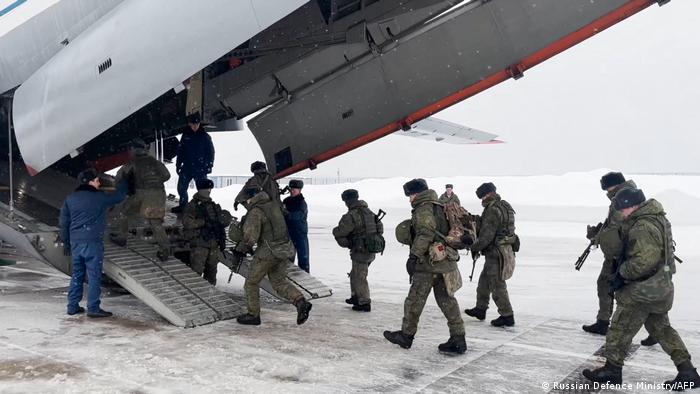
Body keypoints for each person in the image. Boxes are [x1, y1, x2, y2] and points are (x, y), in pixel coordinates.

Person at [583, 189, 700, 389]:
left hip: (642, 291)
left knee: (619, 329)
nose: (621, 214)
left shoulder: (642, 227)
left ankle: (612, 371)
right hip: (659, 287)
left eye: (622, 210)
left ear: (631, 206)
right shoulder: (657, 219)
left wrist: (622, 271)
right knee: (661, 328)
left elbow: (643, 262)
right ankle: (687, 371)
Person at [383, 179, 466, 354]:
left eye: (410, 195)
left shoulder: (424, 208)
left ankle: (406, 336)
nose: (409, 199)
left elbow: (425, 233)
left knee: (414, 300)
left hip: (429, 264)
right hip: (445, 262)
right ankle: (458, 339)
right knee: (448, 301)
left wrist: (413, 256)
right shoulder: (441, 205)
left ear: (416, 194)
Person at [582, 172, 656, 346]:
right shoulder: (624, 196)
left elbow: (619, 228)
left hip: (624, 255)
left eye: (607, 187)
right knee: (606, 285)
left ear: (614, 185)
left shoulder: (624, 199)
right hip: (618, 254)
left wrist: (599, 237)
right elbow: (613, 226)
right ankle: (602, 322)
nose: (606, 191)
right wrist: (599, 233)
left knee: (635, 294)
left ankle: (655, 330)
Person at [231, 186, 312, 326]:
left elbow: (250, 237)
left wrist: (240, 250)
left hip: (268, 251)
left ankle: (253, 315)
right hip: (284, 249)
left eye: (247, 200)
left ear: (251, 198)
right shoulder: (274, 205)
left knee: (251, 282)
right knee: (279, 282)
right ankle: (300, 301)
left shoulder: (256, 211)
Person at [59, 168, 127, 318]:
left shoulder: (70, 198)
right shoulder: (99, 197)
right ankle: (93, 308)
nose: (99, 182)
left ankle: (72, 306)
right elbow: (119, 197)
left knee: (77, 275)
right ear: (89, 182)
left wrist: (66, 242)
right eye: (96, 180)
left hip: (76, 242)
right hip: (92, 243)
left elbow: (64, 222)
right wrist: (124, 182)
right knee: (94, 275)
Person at [464, 182, 517, 327]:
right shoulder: (504, 205)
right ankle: (481, 308)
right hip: (503, 250)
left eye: (482, 197)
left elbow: (487, 235)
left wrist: (474, 247)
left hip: (496, 253)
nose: (481, 200)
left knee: (497, 285)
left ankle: (507, 315)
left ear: (488, 194)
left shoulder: (492, 209)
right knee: (484, 282)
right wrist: (473, 219)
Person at [110, 139, 171, 260]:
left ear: (133, 150)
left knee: (125, 211)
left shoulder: (132, 162)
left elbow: (119, 178)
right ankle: (165, 250)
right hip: (159, 193)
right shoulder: (155, 162)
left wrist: (125, 187)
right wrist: (154, 181)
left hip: (141, 193)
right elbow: (166, 175)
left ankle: (121, 237)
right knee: (155, 222)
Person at [332, 189, 380, 312]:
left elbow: (341, 231)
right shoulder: (369, 212)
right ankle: (356, 297)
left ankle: (364, 302)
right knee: (355, 273)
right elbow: (380, 228)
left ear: (347, 201)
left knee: (360, 276)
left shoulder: (351, 215)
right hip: (371, 248)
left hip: (360, 250)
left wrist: (339, 234)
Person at [182, 178, 230, 285]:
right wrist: (203, 222)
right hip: (200, 243)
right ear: (200, 190)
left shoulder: (213, 206)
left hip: (213, 243)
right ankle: (195, 294)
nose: (208, 191)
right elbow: (187, 223)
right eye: (206, 189)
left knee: (211, 273)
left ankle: (210, 293)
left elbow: (221, 222)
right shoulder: (193, 205)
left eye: (210, 189)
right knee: (196, 272)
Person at [172, 112, 215, 213]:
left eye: (197, 124)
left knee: (203, 190)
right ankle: (183, 206)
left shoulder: (205, 137)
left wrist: (209, 165)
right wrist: (178, 164)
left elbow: (211, 152)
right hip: (187, 167)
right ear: (189, 124)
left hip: (200, 168)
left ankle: (203, 209)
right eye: (193, 124)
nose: (195, 126)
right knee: (181, 188)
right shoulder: (185, 136)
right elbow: (181, 151)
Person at [283, 179, 309, 273]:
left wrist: (286, 213)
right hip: (288, 234)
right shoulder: (286, 201)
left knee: (303, 260)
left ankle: (305, 279)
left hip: (300, 234)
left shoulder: (302, 203)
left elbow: (297, 216)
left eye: (295, 189)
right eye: (292, 188)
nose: (293, 190)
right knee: (287, 260)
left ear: (300, 190)